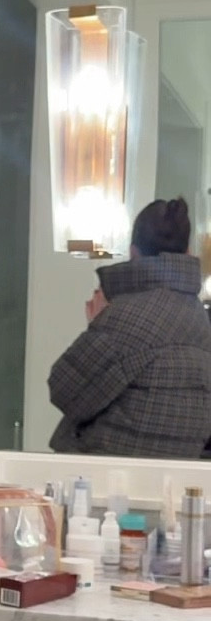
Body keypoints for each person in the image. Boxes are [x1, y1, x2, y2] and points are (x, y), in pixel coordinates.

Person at [49, 195, 211, 456]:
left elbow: (64, 390)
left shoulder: (128, 316)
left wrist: (99, 321)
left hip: (106, 470)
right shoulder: (199, 318)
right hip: (173, 470)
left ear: (134, 253)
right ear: (188, 253)